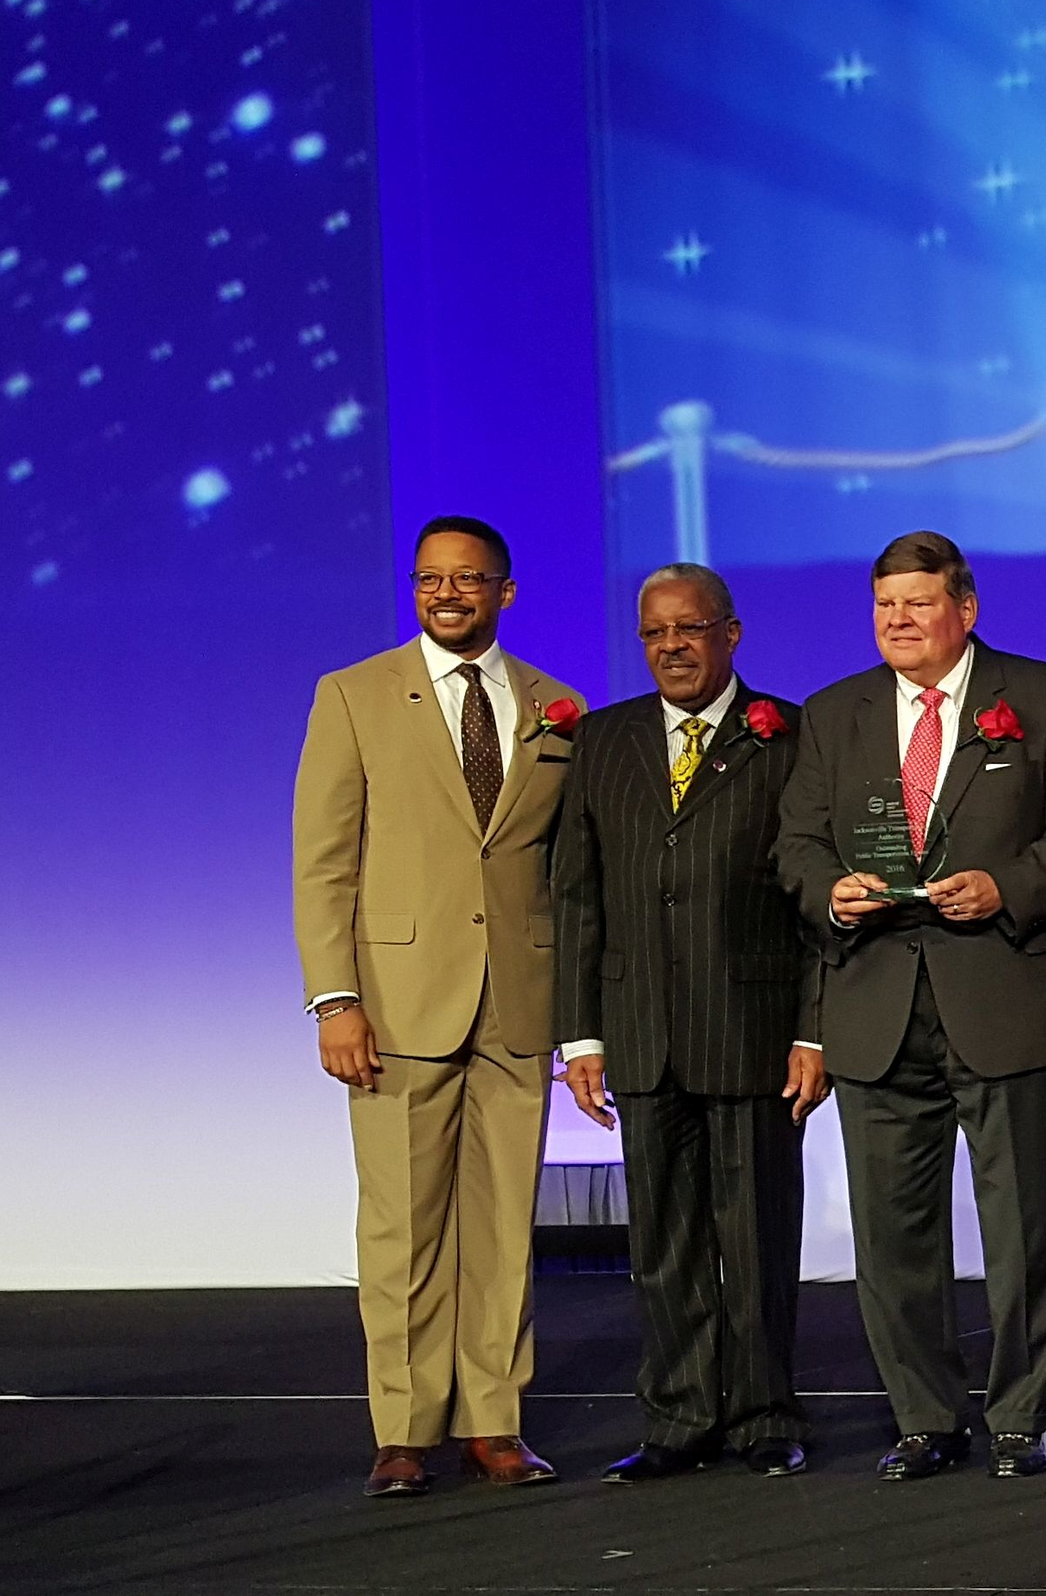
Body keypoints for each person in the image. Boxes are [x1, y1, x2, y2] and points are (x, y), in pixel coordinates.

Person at [773, 531, 1046, 1480]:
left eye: (918, 604)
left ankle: (1018, 1415)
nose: (898, 622)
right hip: (875, 1003)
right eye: (885, 607)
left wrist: (1009, 885)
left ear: (966, 607)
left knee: (1023, 1226)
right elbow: (795, 843)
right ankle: (923, 1416)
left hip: (1007, 993)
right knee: (892, 1234)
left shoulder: (1043, 701)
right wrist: (829, 888)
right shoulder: (835, 712)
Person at [293, 516, 582, 1498]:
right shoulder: (355, 694)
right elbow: (324, 862)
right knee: (403, 1229)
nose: (446, 593)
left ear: (505, 589)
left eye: (467, 578)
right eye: (429, 579)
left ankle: (495, 1423)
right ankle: (405, 1433)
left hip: (517, 1002)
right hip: (397, 1005)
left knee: (504, 1234)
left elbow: (560, 869)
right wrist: (337, 1000)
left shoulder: (552, 705)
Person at [553, 563, 825, 1481]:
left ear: (731, 633)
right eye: (655, 633)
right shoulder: (603, 738)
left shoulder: (788, 735)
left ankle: (761, 1415)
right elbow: (577, 896)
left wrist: (813, 1029)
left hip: (751, 1027)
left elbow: (811, 901)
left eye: (690, 628)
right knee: (661, 1240)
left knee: (754, 1238)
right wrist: (580, 1034)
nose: (672, 646)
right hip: (639, 1032)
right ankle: (676, 1416)